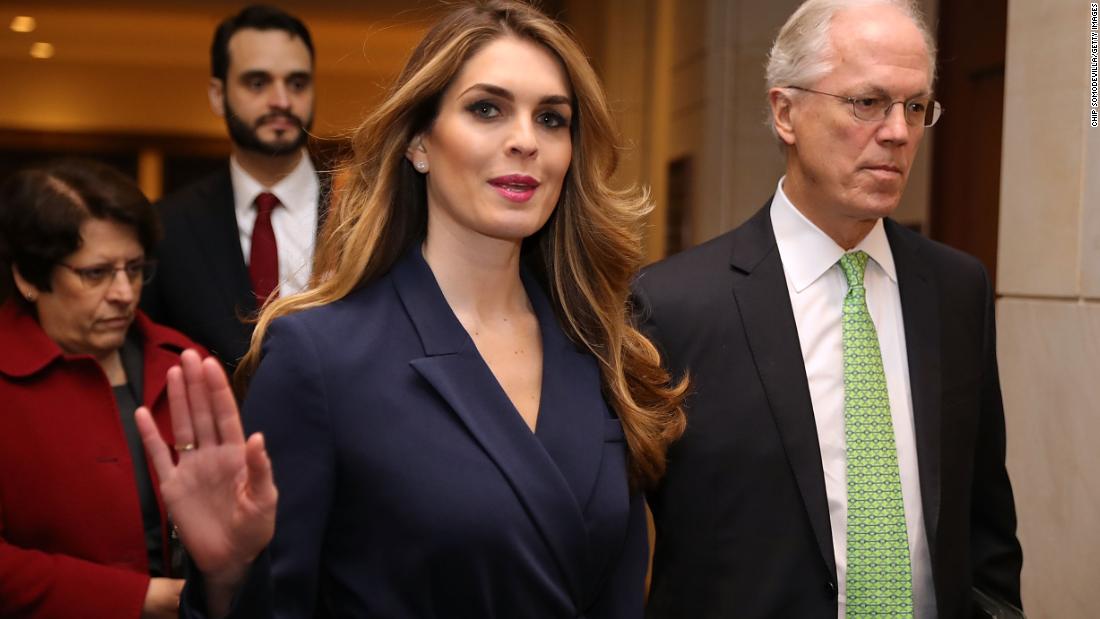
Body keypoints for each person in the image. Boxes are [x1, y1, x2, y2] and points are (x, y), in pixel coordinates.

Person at [135, 1, 687, 617]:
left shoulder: (604, 351)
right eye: (487, 109)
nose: (526, 141)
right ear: (420, 143)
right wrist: (225, 579)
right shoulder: (320, 356)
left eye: (552, 119)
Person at [633, 1, 1023, 617]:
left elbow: (986, 520)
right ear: (785, 112)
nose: (897, 132)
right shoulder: (672, 306)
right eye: (867, 103)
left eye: (915, 107)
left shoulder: (957, 290)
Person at [0, 159, 206, 618]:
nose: (124, 292)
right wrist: (145, 599)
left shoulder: (186, 364)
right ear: (29, 278)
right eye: (95, 274)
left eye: (133, 269)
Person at [141, 4, 329, 370]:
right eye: (257, 83)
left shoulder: (366, 210)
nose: (282, 101)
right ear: (217, 94)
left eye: (297, 83)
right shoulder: (167, 226)